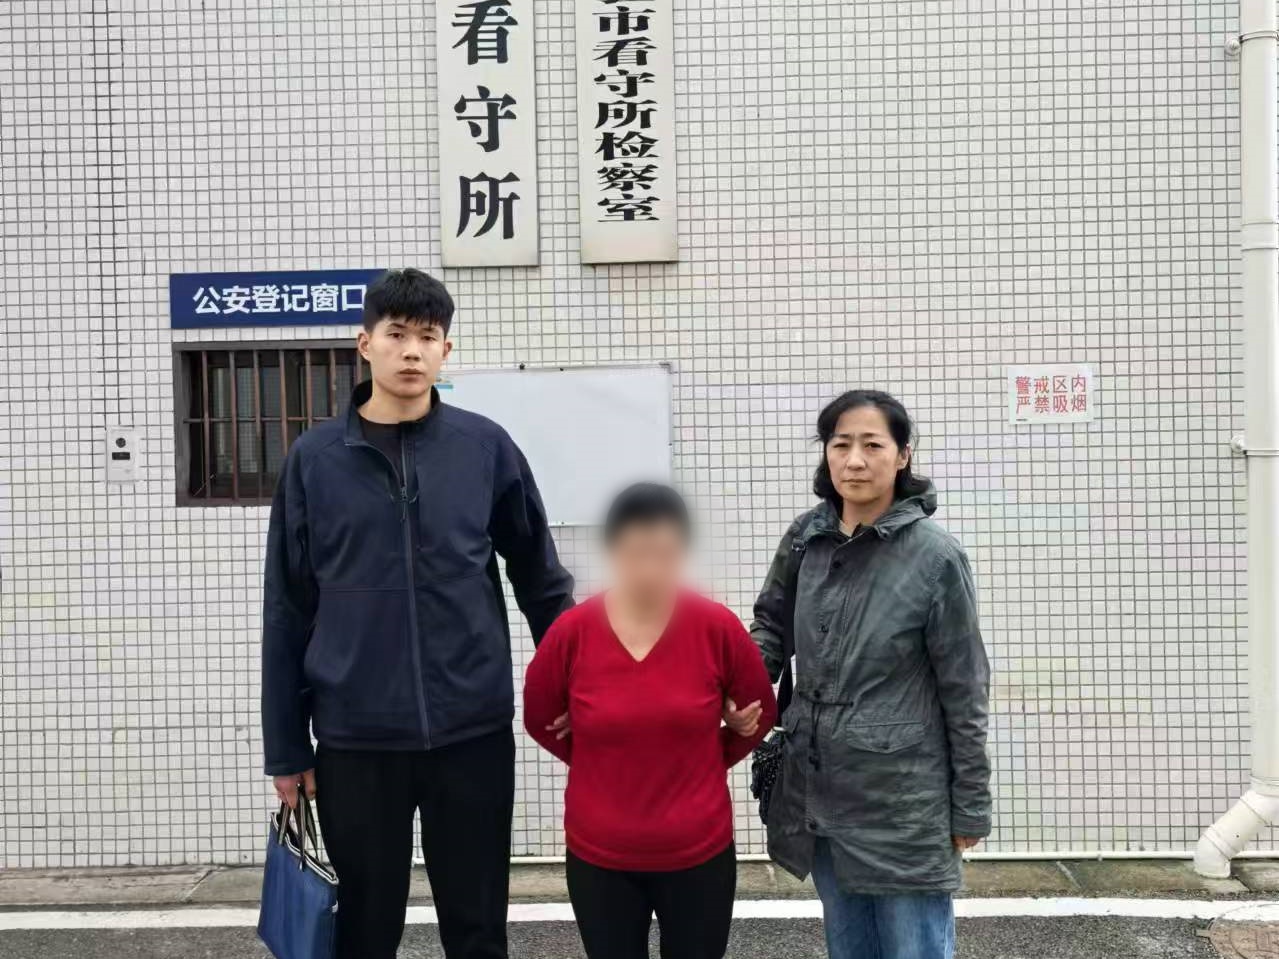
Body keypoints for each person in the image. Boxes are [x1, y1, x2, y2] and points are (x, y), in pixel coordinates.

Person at [260, 268, 575, 959]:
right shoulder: (315, 461)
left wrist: (580, 688)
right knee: (364, 927)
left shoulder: (484, 447)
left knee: (477, 923)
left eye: (427, 337)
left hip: (472, 731)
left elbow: (540, 579)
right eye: (396, 334)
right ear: (364, 343)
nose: (411, 350)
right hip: (355, 738)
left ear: (445, 349)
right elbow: (287, 607)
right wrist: (286, 746)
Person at [751, 390, 991, 959]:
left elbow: (965, 688)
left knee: (915, 948)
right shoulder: (805, 539)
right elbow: (770, 628)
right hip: (821, 789)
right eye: (841, 445)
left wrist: (970, 803)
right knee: (849, 945)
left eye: (872, 445)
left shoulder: (935, 557)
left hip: (904, 801)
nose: (854, 460)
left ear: (902, 455)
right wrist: (735, 695)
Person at [524, 484, 777, 959]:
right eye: (636, 553)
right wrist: (601, 757)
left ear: (682, 551)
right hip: (600, 853)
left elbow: (759, 711)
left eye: (664, 554)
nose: (650, 569)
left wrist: (708, 756)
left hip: (699, 850)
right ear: (613, 551)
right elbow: (539, 717)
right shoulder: (572, 632)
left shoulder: (715, 626)